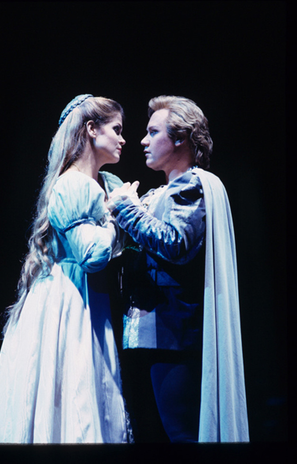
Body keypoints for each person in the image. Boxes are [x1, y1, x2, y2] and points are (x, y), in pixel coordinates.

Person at [107, 95, 249, 443]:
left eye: (153, 131)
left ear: (180, 138)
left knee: (180, 434)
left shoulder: (191, 185)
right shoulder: (163, 192)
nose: (143, 140)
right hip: (151, 331)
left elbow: (175, 244)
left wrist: (126, 209)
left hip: (172, 333)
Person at [0, 94, 131, 444]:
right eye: (116, 129)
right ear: (90, 129)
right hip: (67, 301)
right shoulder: (71, 185)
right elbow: (92, 254)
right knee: (71, 393)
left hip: (93, 299)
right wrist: (119, 216)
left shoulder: (109, 185)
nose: (123, 138)